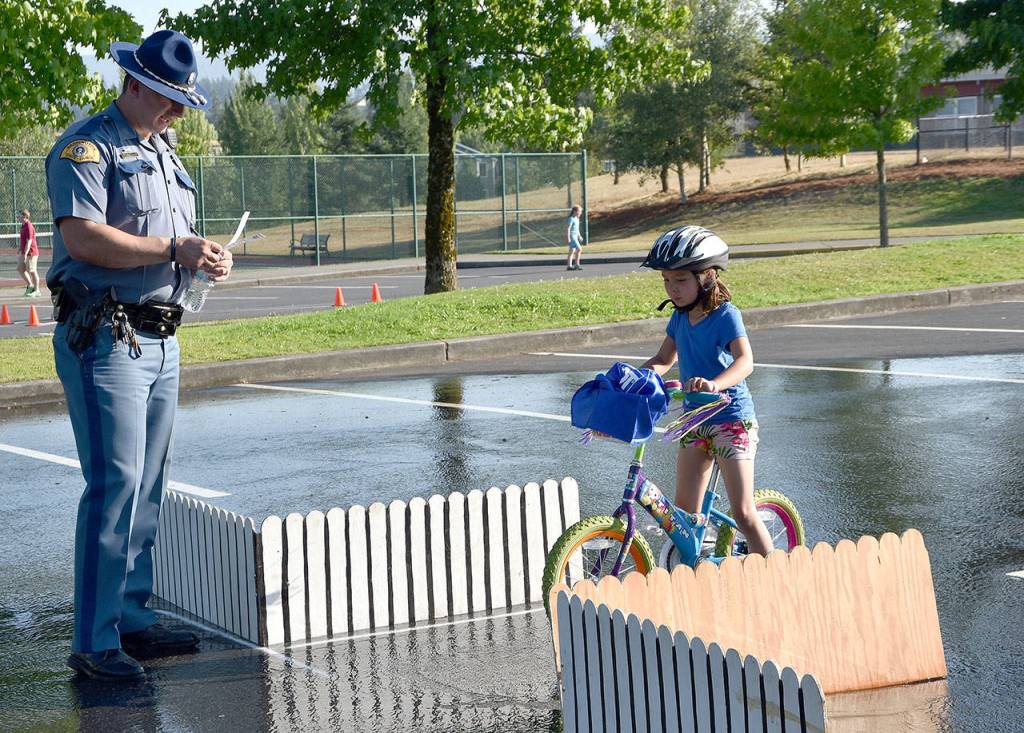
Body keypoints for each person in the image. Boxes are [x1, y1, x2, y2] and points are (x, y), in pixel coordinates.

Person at [45, 29, 231, 682]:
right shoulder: (87, 147)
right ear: (138, 85)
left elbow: (171, 240)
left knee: (149, 485)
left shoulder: (162, 151)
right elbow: (84, 238)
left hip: (161, 335)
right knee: (115, 484)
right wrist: (173, 248)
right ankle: (94, 642)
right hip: (105, 335)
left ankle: (130, 618)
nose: (180, 112)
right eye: (171, 100)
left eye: (184, 102)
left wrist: (202, 256)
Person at [639, 225, 774, 555]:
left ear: (706, 276)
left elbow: (745, 362)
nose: (673, 288)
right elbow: (662, 358)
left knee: (742, 512)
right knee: (683, 519)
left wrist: (715, 383)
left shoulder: (725, 315)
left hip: (732, 420)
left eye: (681, 280)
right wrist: (633, 378)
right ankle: (693, 569)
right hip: (695, 422)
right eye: (667, 281)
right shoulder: (679, 319)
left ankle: (778, 571)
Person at [18, 209, 41, 297]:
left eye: (20, 216)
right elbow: (23, 240)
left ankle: (37, 290)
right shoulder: (23, 226)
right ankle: (30, 285)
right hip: (24, 252)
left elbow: (29, 241)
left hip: (31, 252)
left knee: (32, 271)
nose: (18, 218)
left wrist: (26, 253)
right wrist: (20, 248)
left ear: (25, 217)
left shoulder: (29, 226)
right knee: (20, 268)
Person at [566, 204, 584, 271]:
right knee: (579, 249)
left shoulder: (577, 219)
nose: (580, 213)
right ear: (574, 211)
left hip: (576, 236)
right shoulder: (571, 219)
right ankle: (576, 264)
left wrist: (579, 236)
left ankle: (569, 266)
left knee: (572, 251)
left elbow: (577, 229)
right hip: (572, 236)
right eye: (579, 211)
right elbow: (568, 229)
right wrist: (568, 238)